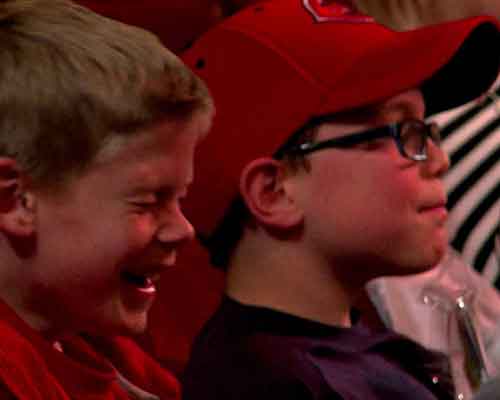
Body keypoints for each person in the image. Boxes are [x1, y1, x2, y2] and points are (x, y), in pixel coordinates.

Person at [179, 0, 500, 398]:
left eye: (426, 130)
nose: (439, 158)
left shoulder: (351, 348)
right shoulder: (270, 384)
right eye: (402, 130)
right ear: (273, 192)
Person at [0, 0, 213, 398]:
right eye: (149, 201)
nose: (182, 230)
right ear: (16, 199)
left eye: (179, 197)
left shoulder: (95, 344)